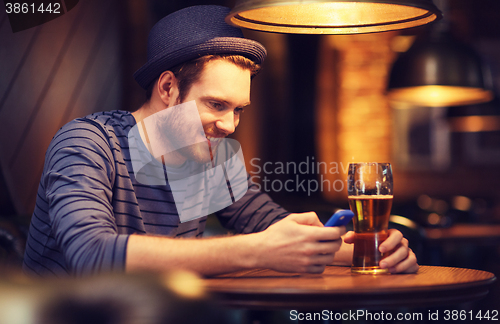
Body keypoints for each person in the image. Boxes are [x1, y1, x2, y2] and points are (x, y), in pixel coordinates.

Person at [22, 5, 418, 277]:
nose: (230, 125)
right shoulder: (86, 142)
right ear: (167, 87)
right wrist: (258, 250)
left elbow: (279, 234)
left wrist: (375, 251)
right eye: (215, 104)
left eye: (239, 109)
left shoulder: (210, 159)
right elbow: (92, 255)